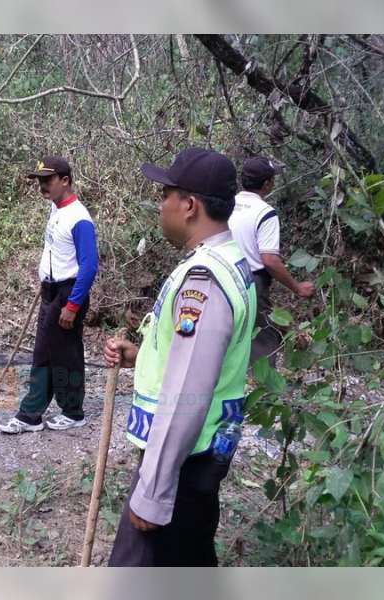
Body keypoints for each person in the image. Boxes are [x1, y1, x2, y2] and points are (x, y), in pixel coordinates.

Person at [104, 147, 256, 566]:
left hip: (183, 458)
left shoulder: (204, 278)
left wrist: (152, 493)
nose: (160, 204)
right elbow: (199, 355)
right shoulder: (232, 261)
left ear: (189, 205)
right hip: (201, 454)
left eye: (165, 193)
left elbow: (189, 386)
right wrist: (140, 355)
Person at [0, 156, 98, 434]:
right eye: (39, 180)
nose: (42, 185)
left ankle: (72, 411)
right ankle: (31, 414)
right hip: (51, 291)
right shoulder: (57, 210)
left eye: (47, 180)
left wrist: (72, 304)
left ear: (65, 181)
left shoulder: (79, 218)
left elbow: (89, 266)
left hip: (68, 293)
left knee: (65, 353)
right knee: (43, 352)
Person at [228, 156, 314, 366]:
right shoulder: (265, 213)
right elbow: (269, 260)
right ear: (267, 184)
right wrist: (297, 288)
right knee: (263, 337)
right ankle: (264, 391)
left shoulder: (228, 204)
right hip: (251, 282)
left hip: (223, 276)